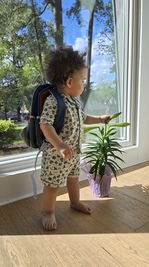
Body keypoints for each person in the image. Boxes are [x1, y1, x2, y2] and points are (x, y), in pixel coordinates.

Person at [40, 46, 111, 231]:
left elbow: (84, 118)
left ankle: (75, 202)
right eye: (83, 80)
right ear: (70, 81)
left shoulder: (75, 101)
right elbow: (45, 124)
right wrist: (60, 145)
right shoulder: (54, 101)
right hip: (57, 155)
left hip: (73, 153)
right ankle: (47, 211)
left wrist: (100, 120)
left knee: (73, 179)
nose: (85, 84)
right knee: (53, 185)